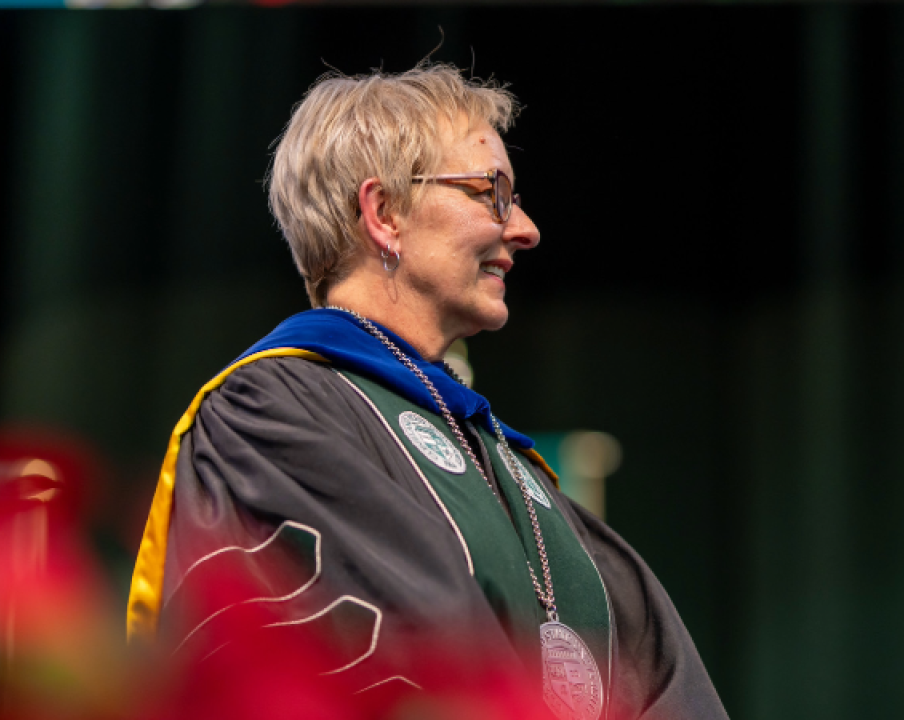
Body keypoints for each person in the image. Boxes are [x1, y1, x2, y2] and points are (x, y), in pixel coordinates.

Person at [127, 64, 727, 720]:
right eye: (490, 192)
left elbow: (666, 678)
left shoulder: (510, 467)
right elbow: (399, 660)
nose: (524, 228)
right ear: (383, 213)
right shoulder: (272, 415)